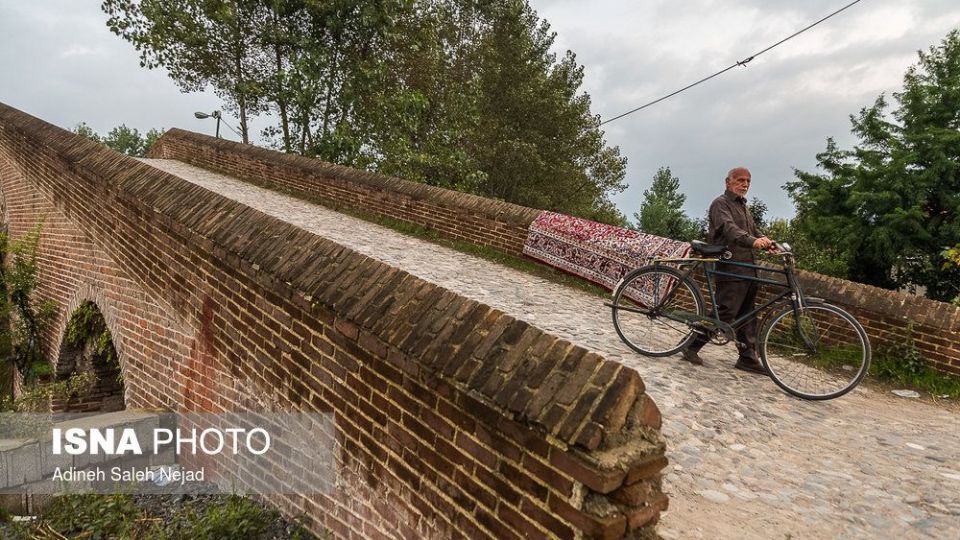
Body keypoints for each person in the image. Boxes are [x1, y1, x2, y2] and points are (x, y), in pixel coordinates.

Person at [682, 167, 771, 374]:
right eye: (740, 180)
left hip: (748, 266)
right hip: (730, 264)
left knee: (748, 313)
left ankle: (748, 358)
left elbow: (753, 232)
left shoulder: (744, 207)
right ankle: (691, 345)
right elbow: (730, 229)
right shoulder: (720, 204)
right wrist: (753, 241)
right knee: (726, 310)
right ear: (727, 182)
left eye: (748, 181)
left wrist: (769, 242)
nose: (745, 184)